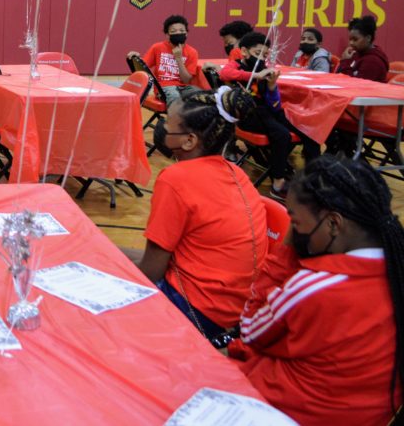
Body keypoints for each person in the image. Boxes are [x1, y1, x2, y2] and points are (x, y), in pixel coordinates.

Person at [228, 158, 404, 426]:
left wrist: (287, 250)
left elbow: (249, 329)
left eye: (296, 224)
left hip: (284, 410)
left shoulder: (315, 287)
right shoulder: (397, 271)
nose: (295, 232)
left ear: (334, 223)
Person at [134, 88, 268, 341]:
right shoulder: (236, 173)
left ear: (189, 141)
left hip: (197, 310)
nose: (161, 126)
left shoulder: (175, 179)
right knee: (114, 256)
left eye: (167, 122)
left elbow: (151, 271)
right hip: (237, 309)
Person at [220, 32, 321, 197]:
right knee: (281, 135)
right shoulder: (237, 65)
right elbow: (225, 74)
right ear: (244, 51)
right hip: (248, 115)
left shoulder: (264, 70)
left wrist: (272, 86)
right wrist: (254, 75)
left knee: (308, 131)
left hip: (266, 112)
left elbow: (274, 105)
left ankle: (313, 179)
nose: (261, 58)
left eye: (265, 55)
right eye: (257, 53)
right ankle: (278, 183)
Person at [126, 14, 200, 106]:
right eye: (174, 31)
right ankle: (176, 120)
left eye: (181, 30)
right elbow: (141, 68)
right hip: (164, 87)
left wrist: (178, 59)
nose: (178, 33)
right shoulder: (157, 48)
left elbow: (186, 80)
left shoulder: (192, 52)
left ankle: (190, 119)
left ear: (186, 34)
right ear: (167, 35)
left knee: (199, 95)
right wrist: (135, 58)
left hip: (184, 87)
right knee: (174, 96)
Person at [336, 15, 389, 82]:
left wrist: (345, 62)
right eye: (350, 39)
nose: (351, 43)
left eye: (355, 39)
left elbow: (355, 86)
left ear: (368, 38)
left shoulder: (373, 61)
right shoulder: (356, 54)